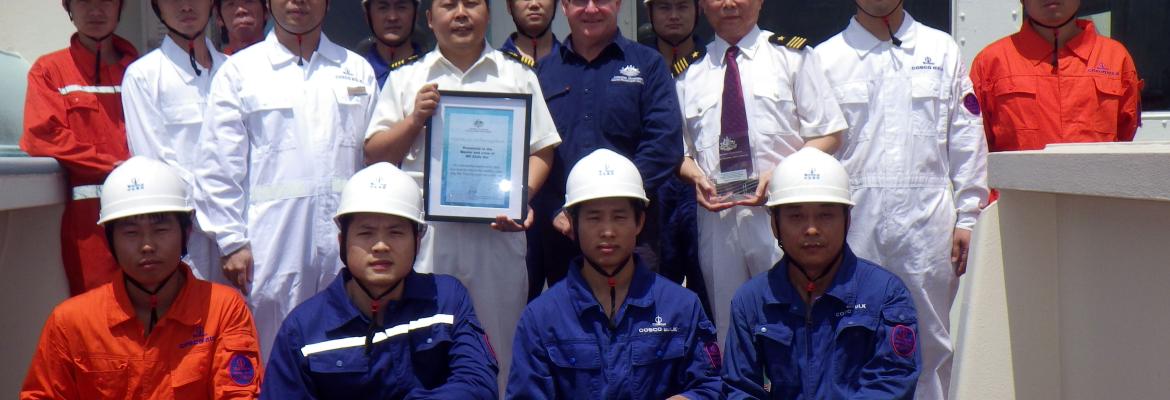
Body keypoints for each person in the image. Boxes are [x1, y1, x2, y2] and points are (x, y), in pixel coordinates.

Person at [363, 0, 560, 391]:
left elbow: (542, 150)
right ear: (430, 18)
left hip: (497, 237)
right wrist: (415, 119)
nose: (461, 14)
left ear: (488, 14)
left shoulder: (517, 75)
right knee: (424, 347)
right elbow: (375, 154)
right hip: (427, 241)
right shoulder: (408, 79)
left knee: (499, 347)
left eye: (471, 3)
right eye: (448, 5)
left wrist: (521, 196)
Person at [813, 2, 990, 398]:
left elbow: (966, 138)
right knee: (848, 337)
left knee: (928, 344)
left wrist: (969, 215)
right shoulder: (826, 58)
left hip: (926, 224)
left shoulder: (940, 49)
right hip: (854, 222)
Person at [195, 0, 378, 361]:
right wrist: (231, 241)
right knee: (270, 352)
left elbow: (372, 161)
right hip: (270, 248)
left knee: (344, 352)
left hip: (344, 247)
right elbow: (218, 164)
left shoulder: (356, 70)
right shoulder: (240, 73)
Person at [675, 0, 846, 345]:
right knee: (729, 329)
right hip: (718, 219)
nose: (729, 4)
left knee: (795, 322)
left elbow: (829, 133)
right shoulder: (688, 72)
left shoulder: (792, 57)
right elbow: (678, 152)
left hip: (782, 217)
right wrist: (694, 177)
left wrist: (782, 175)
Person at [21, 157, 263, 400]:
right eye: (131, 232)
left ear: (186, 232)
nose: (147, 245)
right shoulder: (71, 322)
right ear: (110, 239)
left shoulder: (223, 310)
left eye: (161, 230)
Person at [261, 163, 498, 399]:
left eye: (396, 232)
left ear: (417, 241)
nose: (381, 246)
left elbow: (478, 384)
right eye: (366, 233)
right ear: (342, 241)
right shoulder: (303, 330)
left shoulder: (448, 300)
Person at [507, 149, 721, 399]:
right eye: (594, 218)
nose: (607, 231)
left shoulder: (681, 307)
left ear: (639, 222)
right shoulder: (541, 318)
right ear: (572, 224)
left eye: (619, 217)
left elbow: (712, 386)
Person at [723, 147, 920, 399]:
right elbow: (740, 389)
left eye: (826, 215)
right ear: (775, 224)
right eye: (796, 216)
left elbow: (891, 383)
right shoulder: (751, 300)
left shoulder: (886, 295)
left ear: (847, 220)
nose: (812, 229)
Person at [530, 0, 684, 301]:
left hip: (634, 234)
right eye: (579, 2)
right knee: (570, 333)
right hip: (563, 232)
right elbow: (535, 153)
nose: (590, 9)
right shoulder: (540, 74)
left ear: (618, 4)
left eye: (601, 0)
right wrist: (554, 210)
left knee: (640, 331)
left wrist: (619, 206)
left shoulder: (648, 65)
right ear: (564, 7)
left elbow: (664, 144)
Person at [20, 0, 139, 296]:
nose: (95, 11)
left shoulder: (139, 70)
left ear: (121, 7)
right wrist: (114, 165)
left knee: (155, 315)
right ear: (68, 7)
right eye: (85, 1)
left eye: (106, 2)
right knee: (96, 318)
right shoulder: (49, 70)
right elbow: (40, 136)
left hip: (145, 214)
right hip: (88, 229)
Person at [122, 0, 227, 282]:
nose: (186, 6)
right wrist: (218, 218)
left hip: (243, 232)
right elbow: (155, 162)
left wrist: (233, 229)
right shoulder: (143, 76)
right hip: (188, 235)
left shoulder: (235, 73)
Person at [971, 0, 1142, 153]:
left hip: (1094, 187)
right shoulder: (991, 62)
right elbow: (976, 144)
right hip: (1017, 189)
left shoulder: (1116, 58)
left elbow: (1125, 136)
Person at [640, 0, 710, 319]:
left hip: (703, 189)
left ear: (698, 11)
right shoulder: (636, 64)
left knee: (708, 284)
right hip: (654, 188)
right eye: (664, 7)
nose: (673, 16)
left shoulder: (715, 63)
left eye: (682, 6)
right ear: (649, 12)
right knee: (653, 287)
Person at [360, 0, 425, 88]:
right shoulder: (355, 71)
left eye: (401, 7)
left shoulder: (433, 71)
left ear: (416, 15)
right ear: (368, 17)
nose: (392, 17)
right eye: (383, 8)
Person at [499, 0, 561, 66]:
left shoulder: (571, 63)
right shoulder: (494, 67)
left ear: (556, 3)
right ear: (509, 5)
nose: (534, 4)